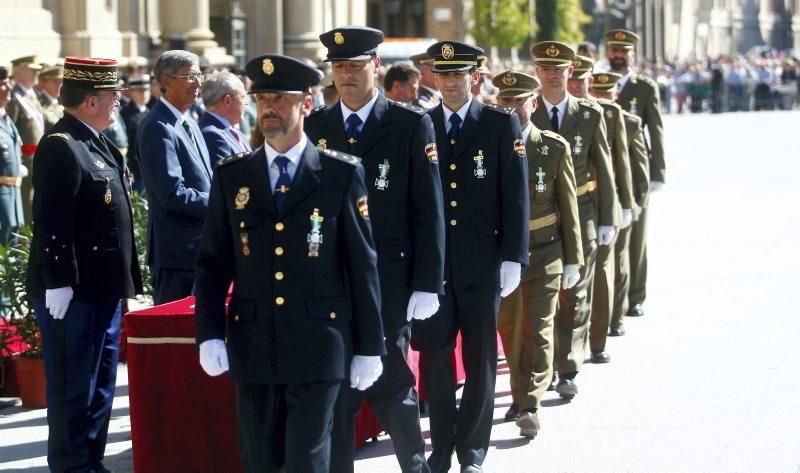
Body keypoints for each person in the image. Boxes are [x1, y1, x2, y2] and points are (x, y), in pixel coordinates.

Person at [195, 53, 385, 473]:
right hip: (255, 345)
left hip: (318, 344)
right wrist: (209, 332)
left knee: (306, 460)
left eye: (281, 98)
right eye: (261, 99)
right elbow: (213, 262)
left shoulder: (338, 174)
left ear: (307, 102)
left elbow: (362, 266)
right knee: (260, 460)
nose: (269, 109)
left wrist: (370, 345)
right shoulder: (233, 176)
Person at [305, 26, 445, 473]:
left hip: (389, 277)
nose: (346, 74)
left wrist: (427, 282)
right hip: (330, 282)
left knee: (392, 381)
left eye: (355, 65)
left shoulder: (408, 123)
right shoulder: (316, 127)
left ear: (376, 67)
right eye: (339, 66)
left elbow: (429, 209)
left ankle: (416, 466)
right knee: (336, 392)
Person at [411, 40, 529, 473]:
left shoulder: (500, 123)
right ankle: (441, 445)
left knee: (480, 360)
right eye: (443, 75)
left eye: (459, 75)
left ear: (474, 78)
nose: (451, 82)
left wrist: (514, 256)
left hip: (484, 262)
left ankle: (473, 450)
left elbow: (515, 194)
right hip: (437, 267)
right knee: (436, 357)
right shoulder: (421, 123)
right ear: (434, 79)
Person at [26, 56, 142, 473]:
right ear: (92, 101)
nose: (117, 103)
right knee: (73, 386)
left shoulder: (96, 141)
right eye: (112, 96)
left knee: (100, 387)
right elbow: (51, 218)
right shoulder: (61, 146)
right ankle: (71, 464)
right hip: (72, 292)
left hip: (103, 288)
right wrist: (57, 279)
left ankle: (91, 461)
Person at [493, 70, 582, 438]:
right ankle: (518, 393)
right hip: (505, 258)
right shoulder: (490, 147)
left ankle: (530, 403)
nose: (512, 107)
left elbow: (568, 206)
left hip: (545, 252)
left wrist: (574, 258)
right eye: (506, 101)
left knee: (540, 329)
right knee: (511, 332)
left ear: (533, 101)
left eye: (519, 100)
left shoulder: (553, 146)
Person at [530, 41, 617, 399]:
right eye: (545, 69)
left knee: (576, 293)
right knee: (545, 298)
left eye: (559, 69)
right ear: (537, 72)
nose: (552, 75)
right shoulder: (524, 111)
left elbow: (605, 167)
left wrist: (608, 217)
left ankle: (568, 366)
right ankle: (544, 368)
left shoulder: (589, 113)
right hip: (542, 217)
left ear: (571, 72)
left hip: (582, 212)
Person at [568, 55, 634, 363]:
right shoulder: (543, 111)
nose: (575, 86)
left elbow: (616, 165)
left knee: (598, 277)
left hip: (593, 203)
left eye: (580, 81)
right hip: (561, 208)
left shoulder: (603, 112)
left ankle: (596, 341)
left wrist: (620, 208)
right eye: (572, 80)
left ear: (588, 82)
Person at [137, 50, 213, 305]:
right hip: (177, 255)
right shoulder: (157, 127)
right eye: (190, 76)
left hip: (201, 249)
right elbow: (173, 194)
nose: (198, 83)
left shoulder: (189, 121)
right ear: (166, 81)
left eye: (199, 75)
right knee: (175, 335)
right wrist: (220, 203)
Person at [605, 29, 666, 318]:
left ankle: (636, 295)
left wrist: (657, 173)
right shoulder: (599, 83)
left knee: (637, 235)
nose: (618, 56)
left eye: (623, 52)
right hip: (606, 167)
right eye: (614, 51)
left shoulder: (644, 87)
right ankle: (613, 294)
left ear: (632, 55)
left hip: (635, 168)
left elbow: (655, 130)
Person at [590, 72, 651, 336]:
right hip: (593, 199)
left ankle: (616, 317)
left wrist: (633, 202)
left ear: (616, 95)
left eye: (607, 94)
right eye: (598, 93)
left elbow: (633, 167)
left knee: (618, 261)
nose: (602, 98)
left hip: (616, 197)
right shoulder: (584, 118)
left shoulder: (629, 123)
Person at [6, 55, 44, 224]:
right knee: (26, 202)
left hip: (38, 158)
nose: (37, 74)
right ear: (19, 72)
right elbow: (9, 130)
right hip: (25, 159)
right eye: (32, 70)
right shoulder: (14, 98)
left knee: (37, 201)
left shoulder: (32, 96)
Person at [198, 70, 251, 166]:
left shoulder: (232, 129)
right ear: (228, 101)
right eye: (242, 97)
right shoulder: (212, 134)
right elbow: (229, 177)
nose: (246, 103)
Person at [0, 67, 24, 246]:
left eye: (9, 82)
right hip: (2, 194)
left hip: (14, 192)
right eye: (2, 84)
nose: (9, 87)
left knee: (14, 240)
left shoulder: (6, 119)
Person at [119, 74, 151, 193]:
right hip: (134, 169)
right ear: (132, 92)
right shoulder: (125, 114)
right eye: (140, 90)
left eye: (146, 90)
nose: (144, 94)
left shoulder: (151, 112)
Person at [35, 64, 64, 132]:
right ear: (44, 82)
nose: (59, 85)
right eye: (55, 81)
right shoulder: (39, 103)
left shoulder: (59, 104)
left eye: (61, 82)